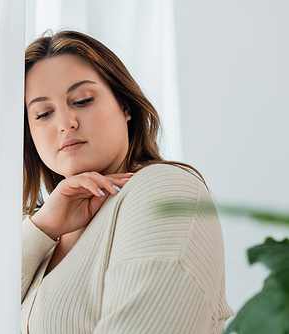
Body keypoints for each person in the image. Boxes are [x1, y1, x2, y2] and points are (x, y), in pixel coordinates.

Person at [21, 30, 233, 334]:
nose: (65, 123)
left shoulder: (164, 191)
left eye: (83, 100)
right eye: (43, 114)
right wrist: (43, 228)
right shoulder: (42, 232)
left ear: (126, 107)